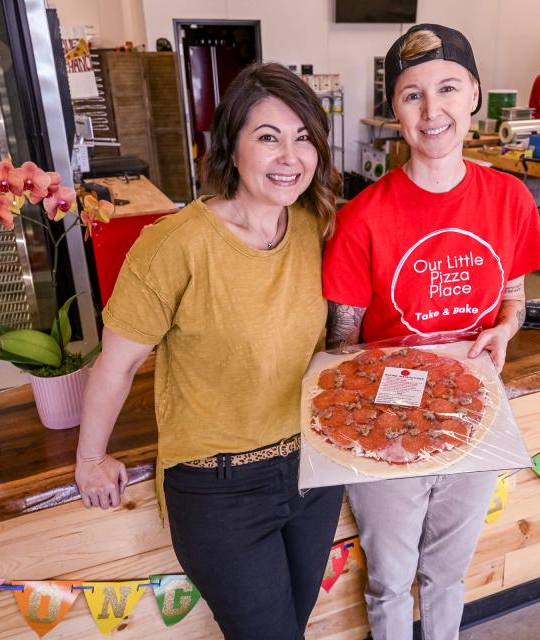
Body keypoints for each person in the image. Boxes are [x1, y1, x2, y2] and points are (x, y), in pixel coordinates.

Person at [74, 62, 344, 640]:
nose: (289, 157)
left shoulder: (313, 225)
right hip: (220, 489)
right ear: (230, 147)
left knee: (292, 627)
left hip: (314, 471)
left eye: (303, 138)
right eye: (268, 137)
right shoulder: (174, 244)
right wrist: (91, 457)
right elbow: (116, 365)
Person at [322, 24, 540, 640]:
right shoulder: (360, 217)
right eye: (412, 94)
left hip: (474, 418)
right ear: (394, 109)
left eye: (447, 88)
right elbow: (342, 345)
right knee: (390, 580)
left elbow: (515, 298)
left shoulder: (509, 199)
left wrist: (505, 329)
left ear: (474, 94)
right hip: (385, 426)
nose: (432, 110)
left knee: (447, 577)